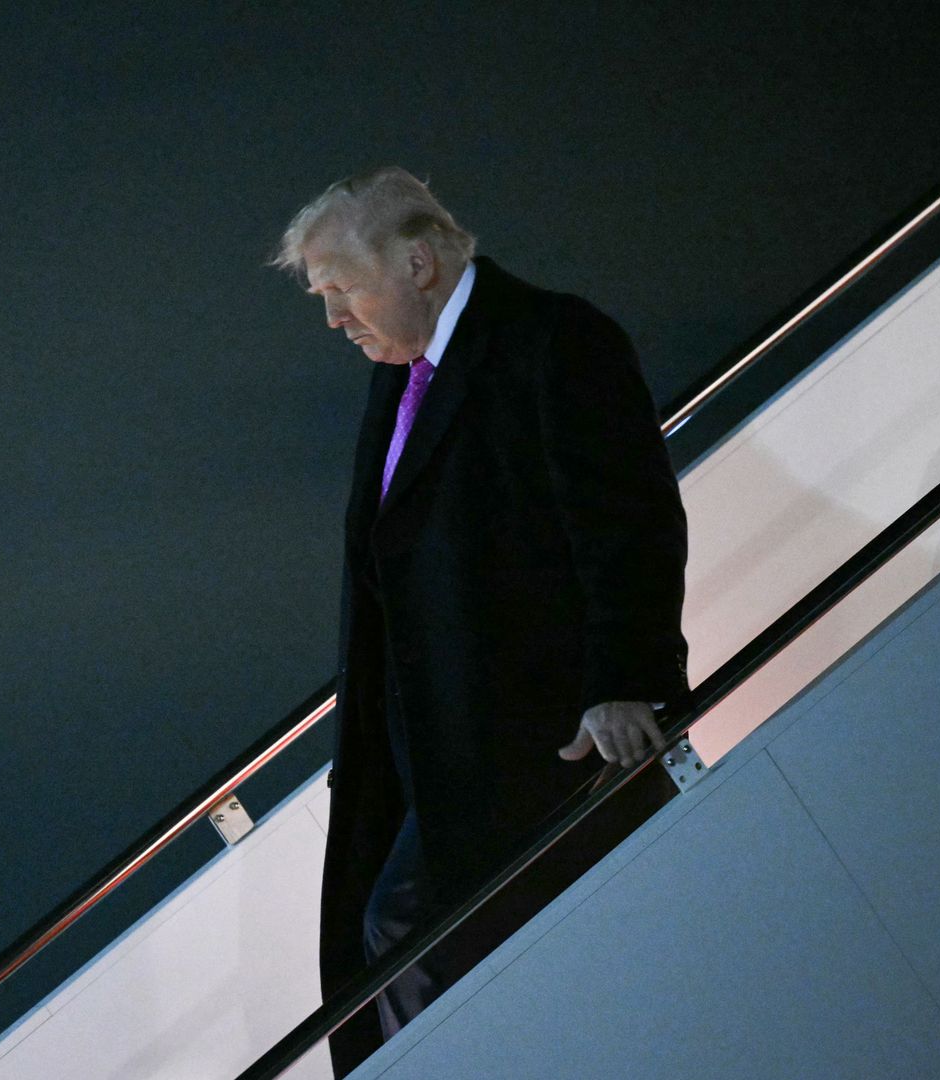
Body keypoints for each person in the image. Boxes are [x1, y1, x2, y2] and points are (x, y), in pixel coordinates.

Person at [271, 168, 690, 1077]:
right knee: (405, 934)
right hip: (430, 749)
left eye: (341, 287)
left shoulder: (552, 340)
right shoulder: (401, 380)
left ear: (417, 260)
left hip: (537, 738)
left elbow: (630, 520)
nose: (333, 318)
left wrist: (627, 680)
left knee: (410, 928)